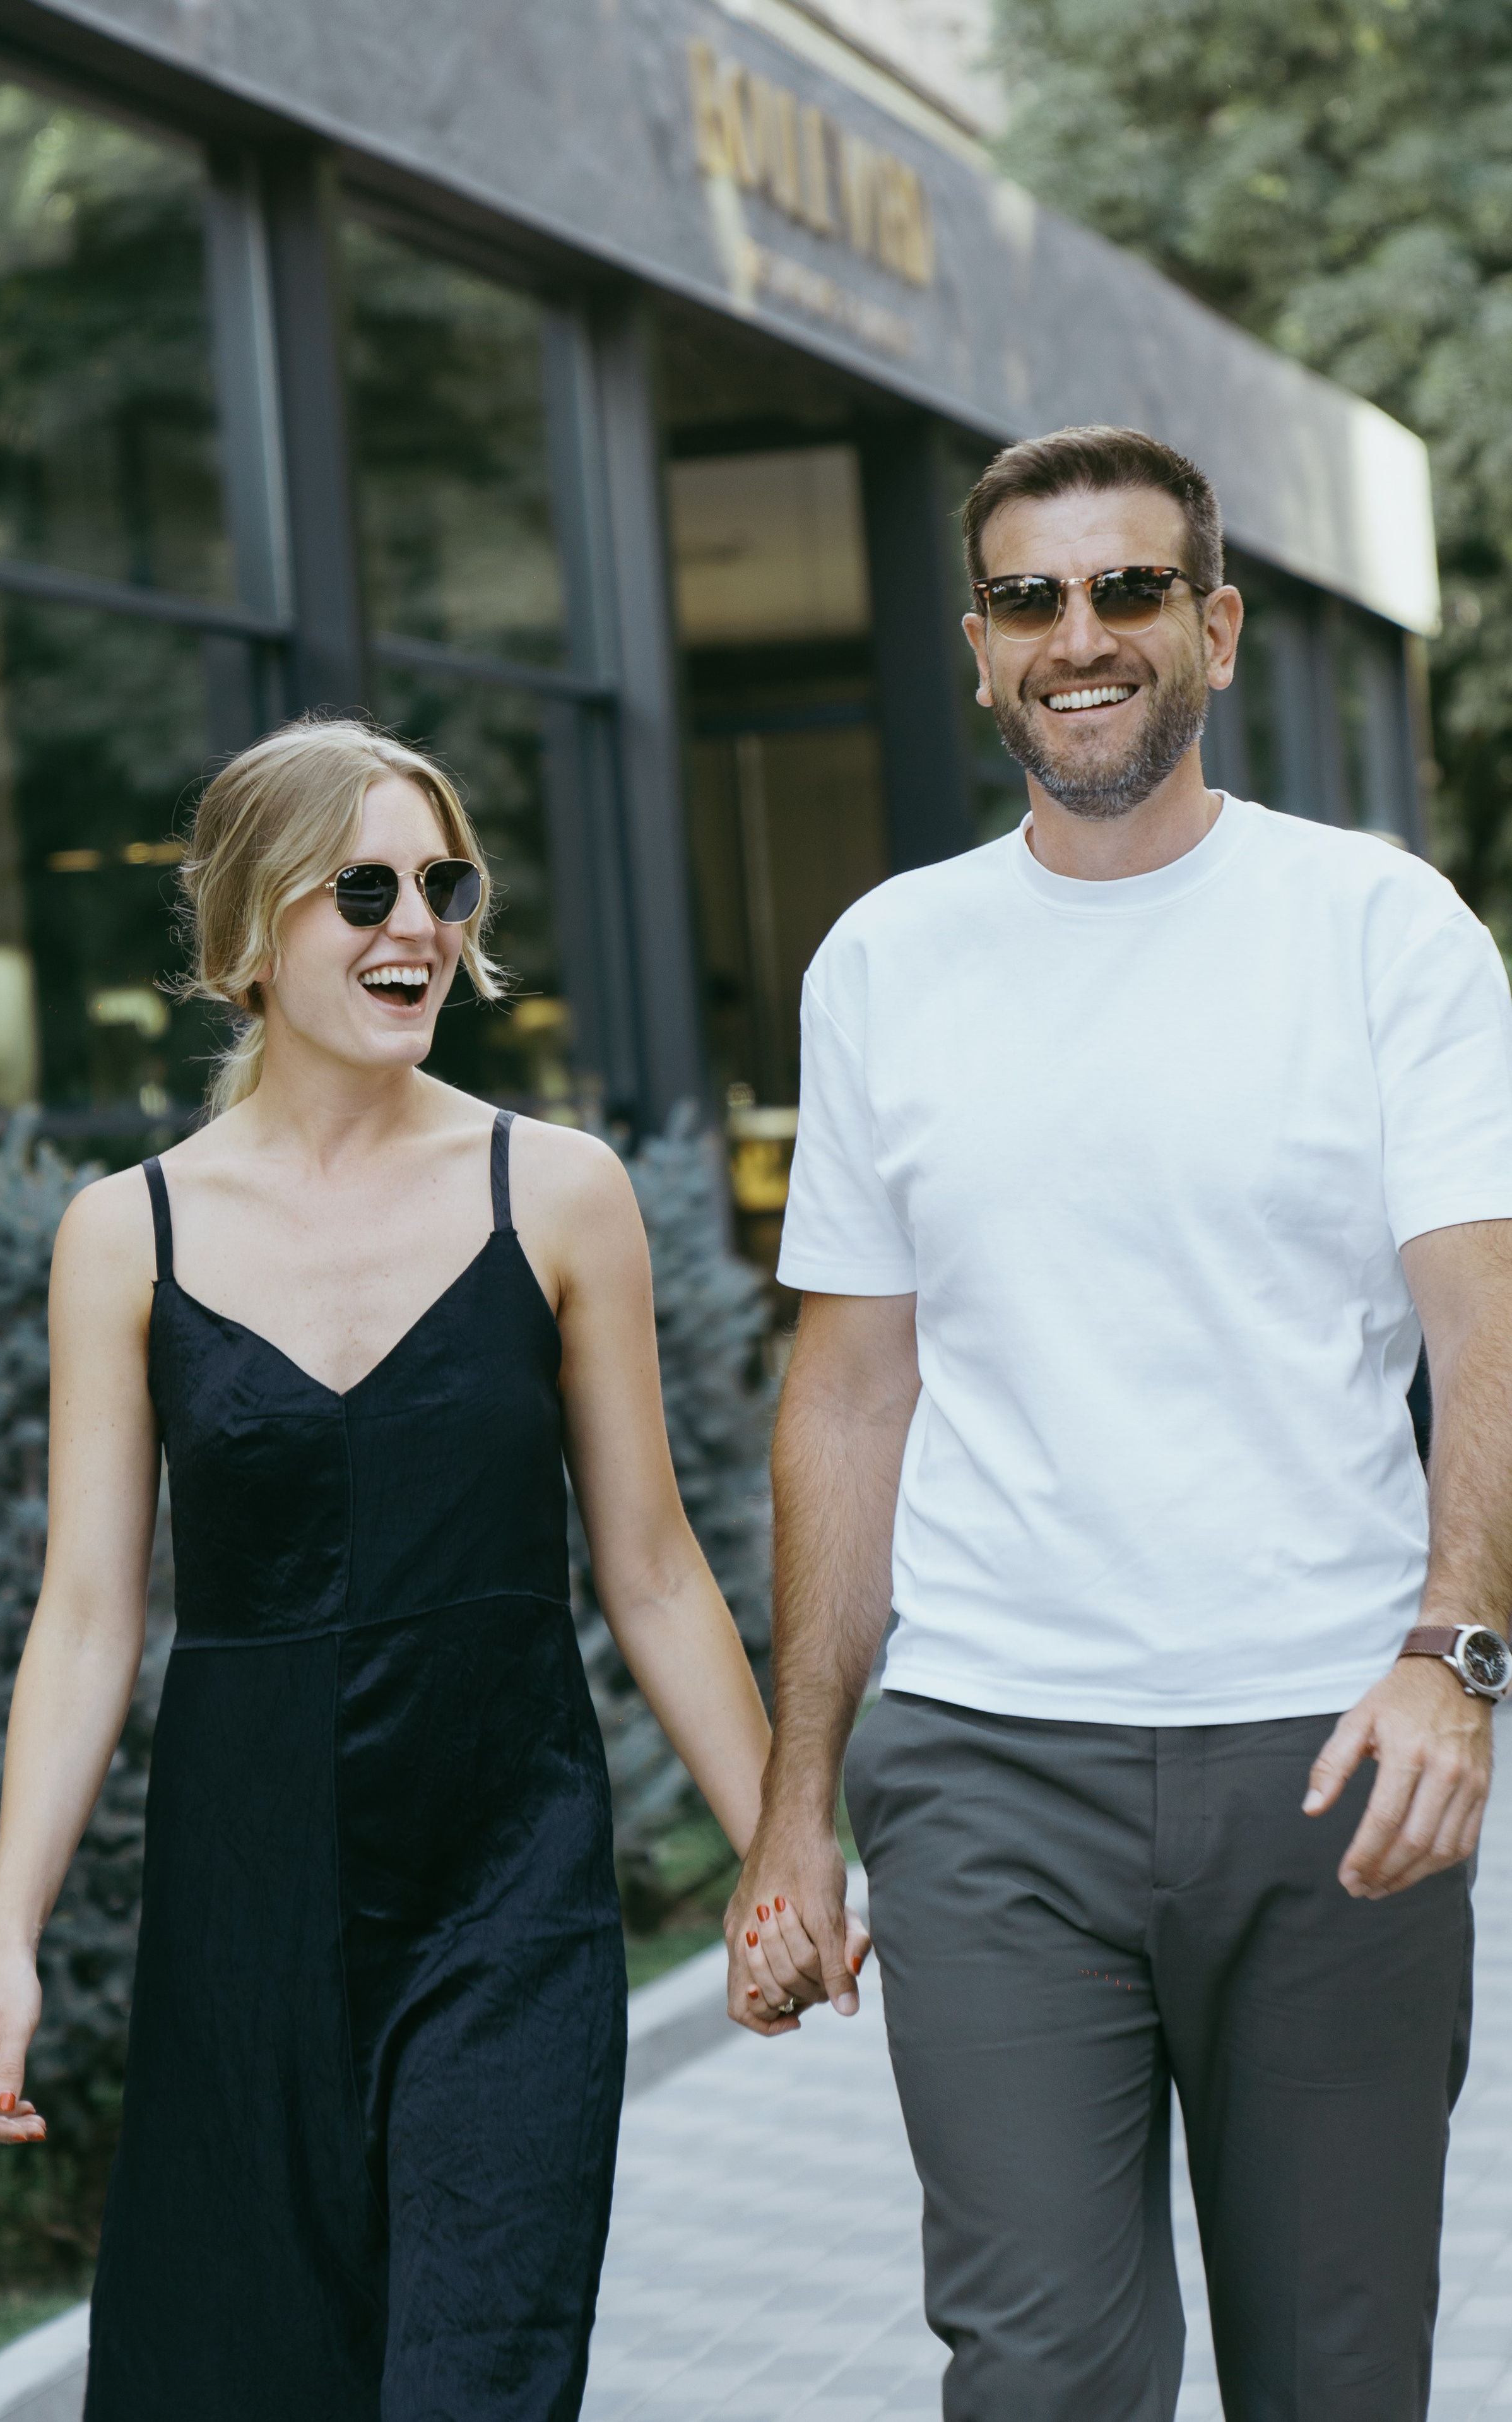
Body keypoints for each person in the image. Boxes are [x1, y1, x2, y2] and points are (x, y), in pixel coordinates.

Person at [724, 426, 1512, 2421]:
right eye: (1030, 600)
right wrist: (795, 1804)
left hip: (1330, 1762)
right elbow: (850, 1397)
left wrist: (1458, 1658)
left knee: (1335, 2375)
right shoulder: (886, 959)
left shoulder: (1380, 926)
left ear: (1216, 630)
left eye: (1130, 589)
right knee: (1038, 2377)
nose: (1081, 635)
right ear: (981, 651)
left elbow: (1484, 1316)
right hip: (989, 1765)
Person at [0, 717, 840, 2421]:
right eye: (362, 890)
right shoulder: (127, 1235)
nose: (415, 925)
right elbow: (88, 1617)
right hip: (241, 1903)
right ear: (246, 931)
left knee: (475, 2383)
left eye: (444, 885)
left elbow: (653, 1573)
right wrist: (9, 1941)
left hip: (507, 1883)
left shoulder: (555, 1195)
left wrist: (779, 1859)